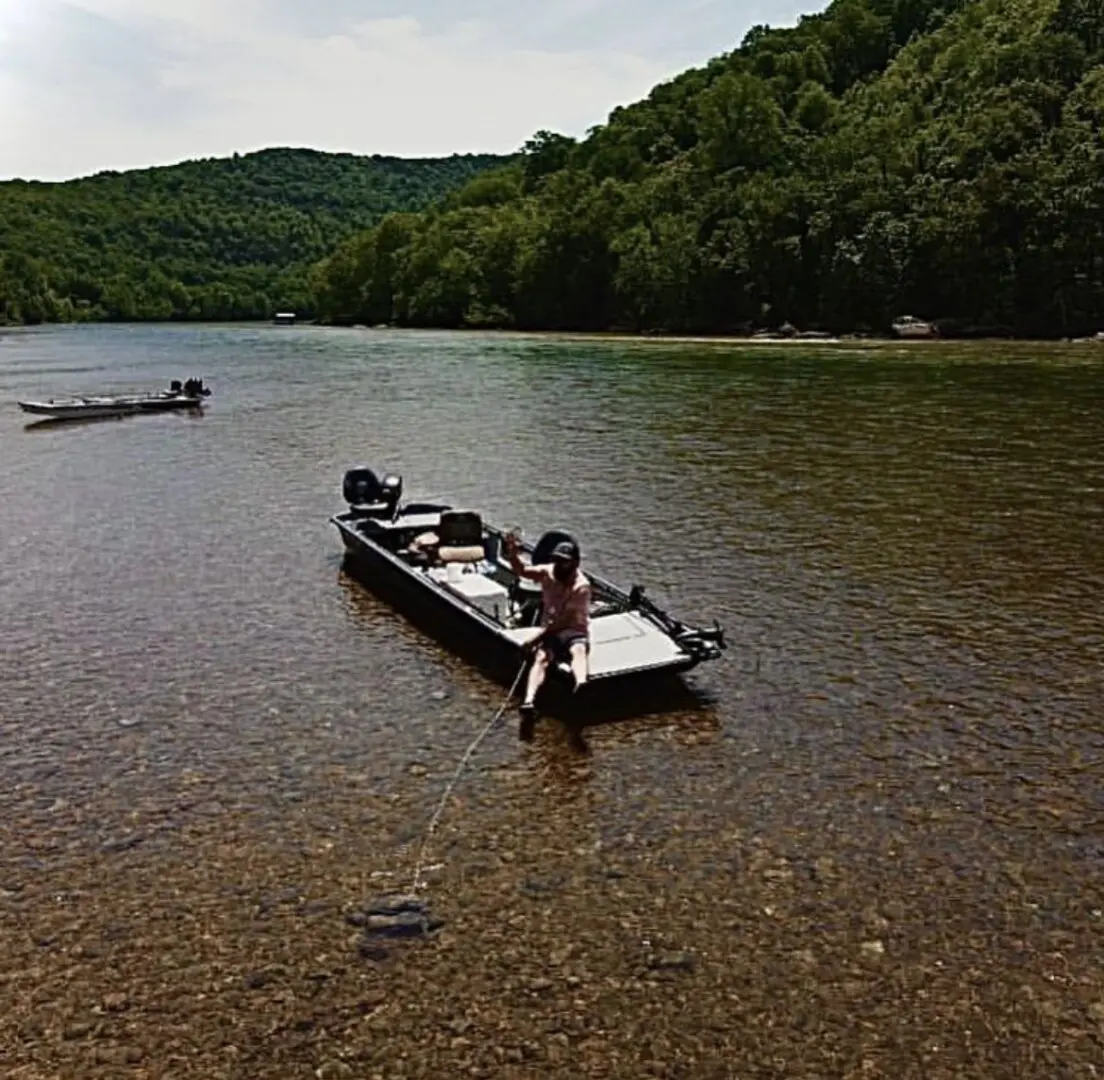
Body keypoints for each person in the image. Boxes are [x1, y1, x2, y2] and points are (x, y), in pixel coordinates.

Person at [503, 533, 591, 741]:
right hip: (550, 629)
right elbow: (522, 571)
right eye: (557, 560)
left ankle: (581, 684)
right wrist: (513, 555)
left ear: (575, 563)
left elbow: (564, 620)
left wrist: (534, 638)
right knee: (541, 659)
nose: (560, 565)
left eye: (565, 562)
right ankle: (529, 701)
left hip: (572, 628)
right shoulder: (547, 572)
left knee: (577, 650)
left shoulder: (581, 586)